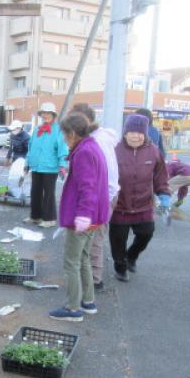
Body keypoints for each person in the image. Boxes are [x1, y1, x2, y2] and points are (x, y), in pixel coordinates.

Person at [48, 112, 109, 322]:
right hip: (95, 217)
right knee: (83, 258)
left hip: (84, 218)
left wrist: (83, 215)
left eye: (65, 134)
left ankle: (73, 308)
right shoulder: (91, 146)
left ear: (72, 133)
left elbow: (88, 187)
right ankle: (88, 301)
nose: (64, 139)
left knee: (71, 262)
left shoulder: (83, 152)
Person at [109, 113, 171, 282]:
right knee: (118, 240)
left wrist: (164, 195)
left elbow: (160, 177)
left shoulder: (154, 151)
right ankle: (120, 267)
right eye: (131, 132)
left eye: (139, 132)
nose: (135, 136)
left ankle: (132, 256)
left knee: (146, 234)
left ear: (145, 133)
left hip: (143, 204)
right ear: (125, 132)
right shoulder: (114, 150)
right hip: (119, 205)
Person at [69, 103, 119, 291]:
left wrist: (84, 210)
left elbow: (91, 180)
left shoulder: (93, 143)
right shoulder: (98, 138)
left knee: (93, 240)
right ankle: (90, 281)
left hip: (101, 197)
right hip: (105, 194)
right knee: (91, 240)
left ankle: (93, 283)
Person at [24, 102, 69, 228]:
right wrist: (27, 163)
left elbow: (62, 149)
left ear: (53, 115)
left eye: (48, 113)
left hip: (50, 167)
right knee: (35, 192)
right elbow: (31, 147)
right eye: (43, 113)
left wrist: (62, 165)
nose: (45, 116)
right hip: (36, 166)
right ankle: (35, 216)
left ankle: (50, 219)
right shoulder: (37, 129)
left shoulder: (58, 130)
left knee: (48, 193)